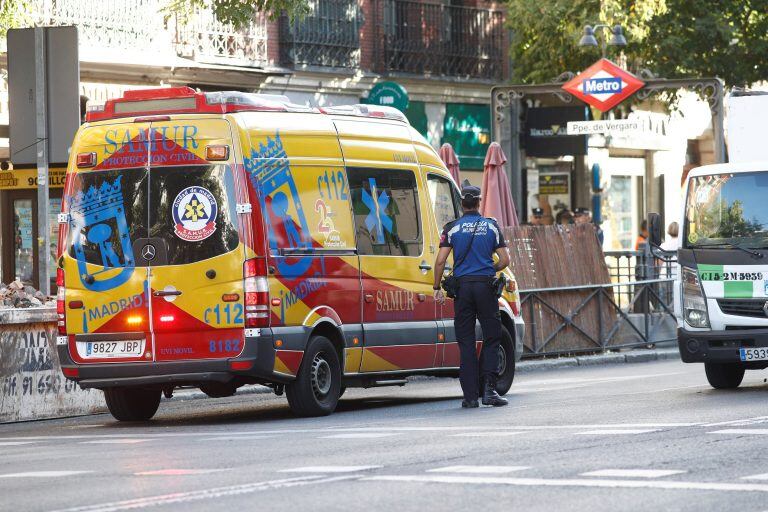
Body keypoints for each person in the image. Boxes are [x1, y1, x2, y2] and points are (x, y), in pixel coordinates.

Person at [433, 184, 509, 408]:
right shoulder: (491, 227)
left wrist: (436, 286)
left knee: (465, 341)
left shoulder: (452, 228)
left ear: (461, 204)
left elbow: (440, 261)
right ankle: (489, 391)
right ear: (479, 202)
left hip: (463, 289)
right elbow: (505, 260)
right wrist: (488, 268)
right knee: (492, 337)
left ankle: (469, 397)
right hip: (485, 286)